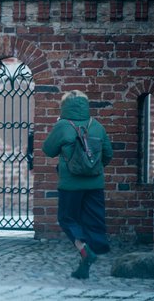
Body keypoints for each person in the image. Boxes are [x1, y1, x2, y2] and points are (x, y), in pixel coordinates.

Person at [42, 90, 113, 279]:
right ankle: (89, 259)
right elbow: (108, 154)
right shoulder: (97, 126)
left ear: (64, 106)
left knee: (67, 219)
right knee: (92, 220)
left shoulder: (63, 125)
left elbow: (48, 150)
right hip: (95, 185)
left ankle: (83, 250)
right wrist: (92, 168)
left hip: (70, 185)